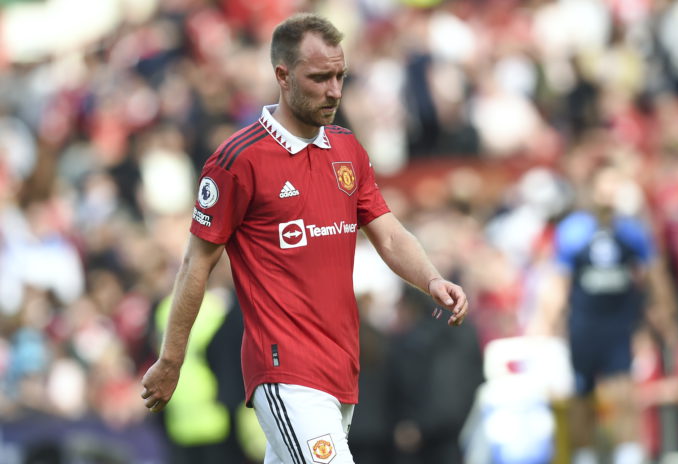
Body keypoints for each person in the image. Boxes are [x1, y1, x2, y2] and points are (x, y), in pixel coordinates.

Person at [140, 13, 468, 464]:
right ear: (283, 75)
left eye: (340, 76)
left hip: (340, 364)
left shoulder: (346, 147)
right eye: (320, 78)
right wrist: (171, 361)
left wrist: (431, 279)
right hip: (284, 369)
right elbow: (196, 263)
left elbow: (388, 233)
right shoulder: (238, 160)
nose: (334, 90)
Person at [529, 161, 678, 464]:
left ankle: (628, 454)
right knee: (582, 394)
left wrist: (666, 316)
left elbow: (655, 276)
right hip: (584, 324)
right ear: (594, 187)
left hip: (619, 325)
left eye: (616, 184)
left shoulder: (631, 230)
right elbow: (559, 282)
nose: (611, 191)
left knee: (623, 393)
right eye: (606, 183)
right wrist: (543, 325)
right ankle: (584, 455)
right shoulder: (575, 230)